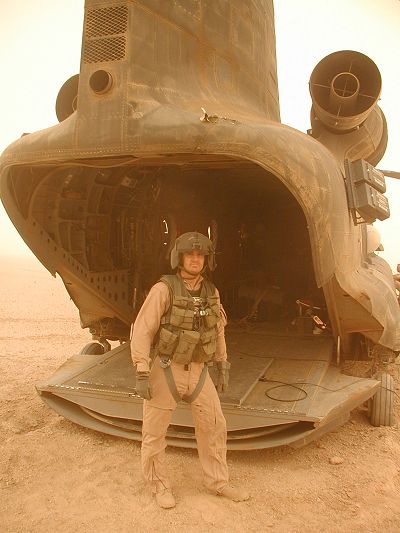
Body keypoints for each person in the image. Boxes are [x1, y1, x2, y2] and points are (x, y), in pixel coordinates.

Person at [130, 231, 249, 509]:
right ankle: (158, 485)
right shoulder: (164, 289)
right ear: (179, 257)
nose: (195, 260)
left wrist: (223, 364)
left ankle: (218, 482)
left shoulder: (211, 292)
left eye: (200, 255)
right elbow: (143, 330)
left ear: (206, 260)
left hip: (199, 370)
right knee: (154, 433)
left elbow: (217, 330)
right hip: (166, 369)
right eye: (190, 254)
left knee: (215, 426)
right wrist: (141, 369)